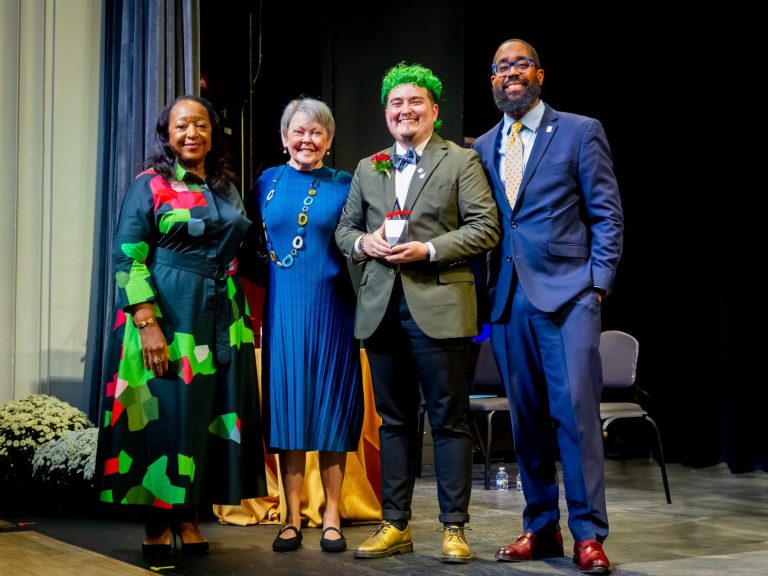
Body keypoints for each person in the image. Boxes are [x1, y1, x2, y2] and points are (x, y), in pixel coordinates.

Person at [335, 62, 500, 564]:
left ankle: (454, 527)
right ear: (386, 112)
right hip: (381, 309)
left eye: (415, 102)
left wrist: (428, 250)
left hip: (440, 306)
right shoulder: (369, 166)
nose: (405, 110)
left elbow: (485, 227)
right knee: (394, 421)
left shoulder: (460, 161)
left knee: (449, 420)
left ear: (434, 109)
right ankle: (395, 524)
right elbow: (345, 230)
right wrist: (364, 243)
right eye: (396, 103)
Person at [471, 39, 624, 574]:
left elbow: (607, 213)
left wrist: (597, 285)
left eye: (521, 64)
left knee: (576, 416)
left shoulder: (580, 131)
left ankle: (588, 534)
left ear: (540, 74)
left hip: (569, 297)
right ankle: (541, 527)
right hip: (508, 300)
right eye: (501, 67)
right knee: (526, 421)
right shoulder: (484, 145)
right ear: (493, 80)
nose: (510, 73)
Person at [96, 94, 267, 558]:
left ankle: (189, 516)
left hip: (220, 315)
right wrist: (145, 320)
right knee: (165, 414)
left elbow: (244, 247)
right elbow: (127, 255)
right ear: (167, 135)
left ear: (213, 134)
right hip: (168, 313)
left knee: (205, 416)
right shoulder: (150, 185)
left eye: (201, 125)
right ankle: (157, 521)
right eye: (182, 126)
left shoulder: (226, 188)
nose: (192, 133)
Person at [241, 97, 364, 553]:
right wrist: (274, 279)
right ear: (284, 138)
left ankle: (331, 515)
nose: (307, 139)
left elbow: (359, 243)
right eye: (299, 131)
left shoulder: (347, 184)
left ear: (329, 140)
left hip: (334, 309)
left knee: (332, 410)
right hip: (282, 311)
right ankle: (290, 517)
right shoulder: (265, 183)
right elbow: (246, 246)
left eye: (317, 132)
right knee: (287, 411)